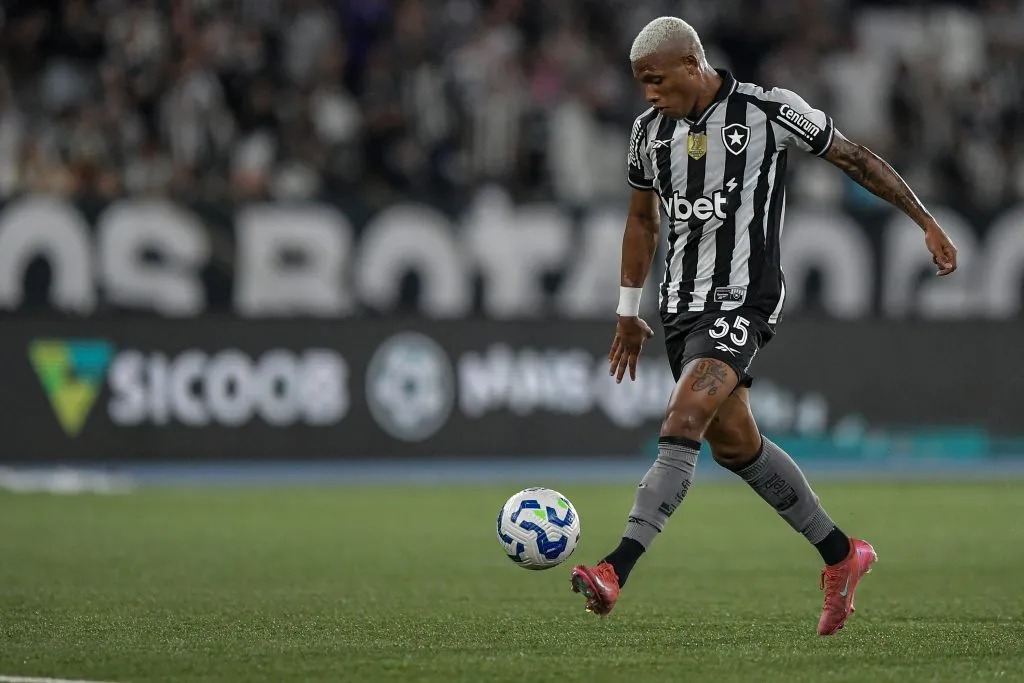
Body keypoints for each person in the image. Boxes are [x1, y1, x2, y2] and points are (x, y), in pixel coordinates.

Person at [569, 16, 958, 636]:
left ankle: (615, 569)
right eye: (640, 83)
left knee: (682, 420)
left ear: (693, 65)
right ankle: (841, 555)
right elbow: (642, 221)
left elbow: (853, 159)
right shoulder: (647, 133)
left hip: (743, 300)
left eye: (656, 81)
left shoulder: (769, 110)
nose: (648, 94)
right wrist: (627, 309)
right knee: (734, 443)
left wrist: (923, 219)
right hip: (680, 307)